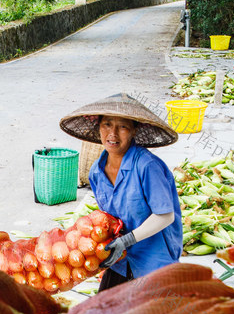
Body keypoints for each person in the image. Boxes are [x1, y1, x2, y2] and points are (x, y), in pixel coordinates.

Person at [60, 93, 183, 291]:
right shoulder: (96, 172)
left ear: (134, 130)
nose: (113, 134)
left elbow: (165, 216)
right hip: (121, 259)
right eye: (107, 124)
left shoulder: (147, 166)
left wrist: (127, 240)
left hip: (153, 259)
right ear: (98, 127)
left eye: (123, 126)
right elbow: (110, 220)